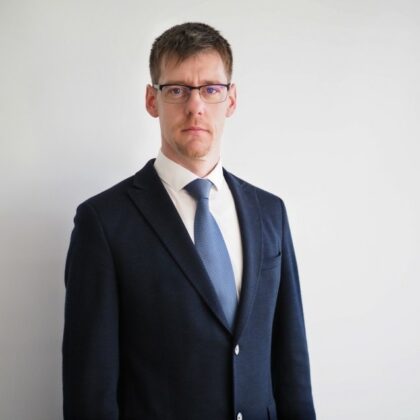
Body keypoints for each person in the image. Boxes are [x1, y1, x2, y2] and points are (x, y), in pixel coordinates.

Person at [62, 22, 316, 420]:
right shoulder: (104, 222)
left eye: (211, 89)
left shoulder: (270, 212)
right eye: (177, 89)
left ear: (231, 100)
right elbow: (90, 392)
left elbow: (292, 362)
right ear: (152, 100)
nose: (195, 106)